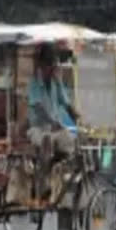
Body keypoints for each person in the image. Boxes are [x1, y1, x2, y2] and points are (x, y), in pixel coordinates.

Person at [27, 44, 80, 175]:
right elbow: (39, 109)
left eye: (53, 66)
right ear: (42, 66)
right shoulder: (34, 83)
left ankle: (64, 174)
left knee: (72, 141)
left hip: (56, 129)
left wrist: (78, 118)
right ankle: (44, 180)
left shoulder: (56, 83)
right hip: (38, 129)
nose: (51, 70)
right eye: (49, 66)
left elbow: (67, 104)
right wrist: (52, 123)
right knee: (47, 141)